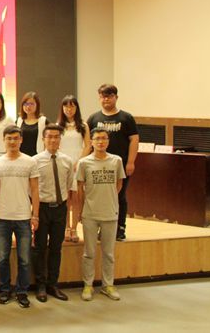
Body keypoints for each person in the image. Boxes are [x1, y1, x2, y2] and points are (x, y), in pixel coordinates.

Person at [0, 125, 39, 308]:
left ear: (21, 140)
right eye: (9, 138)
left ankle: (21, 291)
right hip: (2, 217)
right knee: (2, 258)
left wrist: (35, 215)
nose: (12, 141)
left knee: (24, 259)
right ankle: (5, 289)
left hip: (23, 217)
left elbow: (35, 190)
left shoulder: (30, 162)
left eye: (15, 138)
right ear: (4, 140)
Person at [77, 128, 126, 301]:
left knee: (108, 253)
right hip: (90, 213)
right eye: (97, 138)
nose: (100, 142)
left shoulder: (116, 161)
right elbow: (80, 189)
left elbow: (119, 184)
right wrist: (81, 211)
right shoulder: (84, 163)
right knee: (89, 252)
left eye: (104, 138)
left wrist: (109, 199)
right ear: (91, 142)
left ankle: (108, 285)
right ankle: (88, 285)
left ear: (108, 141)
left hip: (110, 213)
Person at [87, 84, 139, 241]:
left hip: (119, 165)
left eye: (109, 96)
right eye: (103, 96)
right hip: (97, 166)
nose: (106, 99)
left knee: (119, 195)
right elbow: (87, 142)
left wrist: (130, 162)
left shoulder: (126, 118)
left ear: (116, 97)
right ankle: (102, 228)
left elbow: (134, 140)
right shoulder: (94, 118)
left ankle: (120, 227)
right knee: (100, 195)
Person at [32, 124, 74, 303]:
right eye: (49, 136)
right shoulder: (35, 161)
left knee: (56, 247)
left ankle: (53, 284)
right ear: (43, 139)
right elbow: (31, 188)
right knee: (40, 247)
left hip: (60, 208)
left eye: (56, 137)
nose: (53, 140)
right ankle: (40, 285)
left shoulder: (67, 161)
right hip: (42, 208)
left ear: (60, 139)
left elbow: (69, 186)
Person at [56, 95, 91, 243]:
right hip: (62, 164)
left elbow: (88, 145)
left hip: (78, 164)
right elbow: (55, 145)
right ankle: (65, 228)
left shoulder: (83, 125)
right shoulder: (58, 125)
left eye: (72, 106)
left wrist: (79, 162)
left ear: (76, 108)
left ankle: (74, 228)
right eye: (66, 106)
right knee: (64, 199)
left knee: (76, 198)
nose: (69, 109)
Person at [16, 91, 49, 156]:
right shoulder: (19, 121)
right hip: (22, 156)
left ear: (37, 105)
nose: (28, 107)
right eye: (26, 104)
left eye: (31, 104)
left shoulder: (43, 121)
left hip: (38, 156)